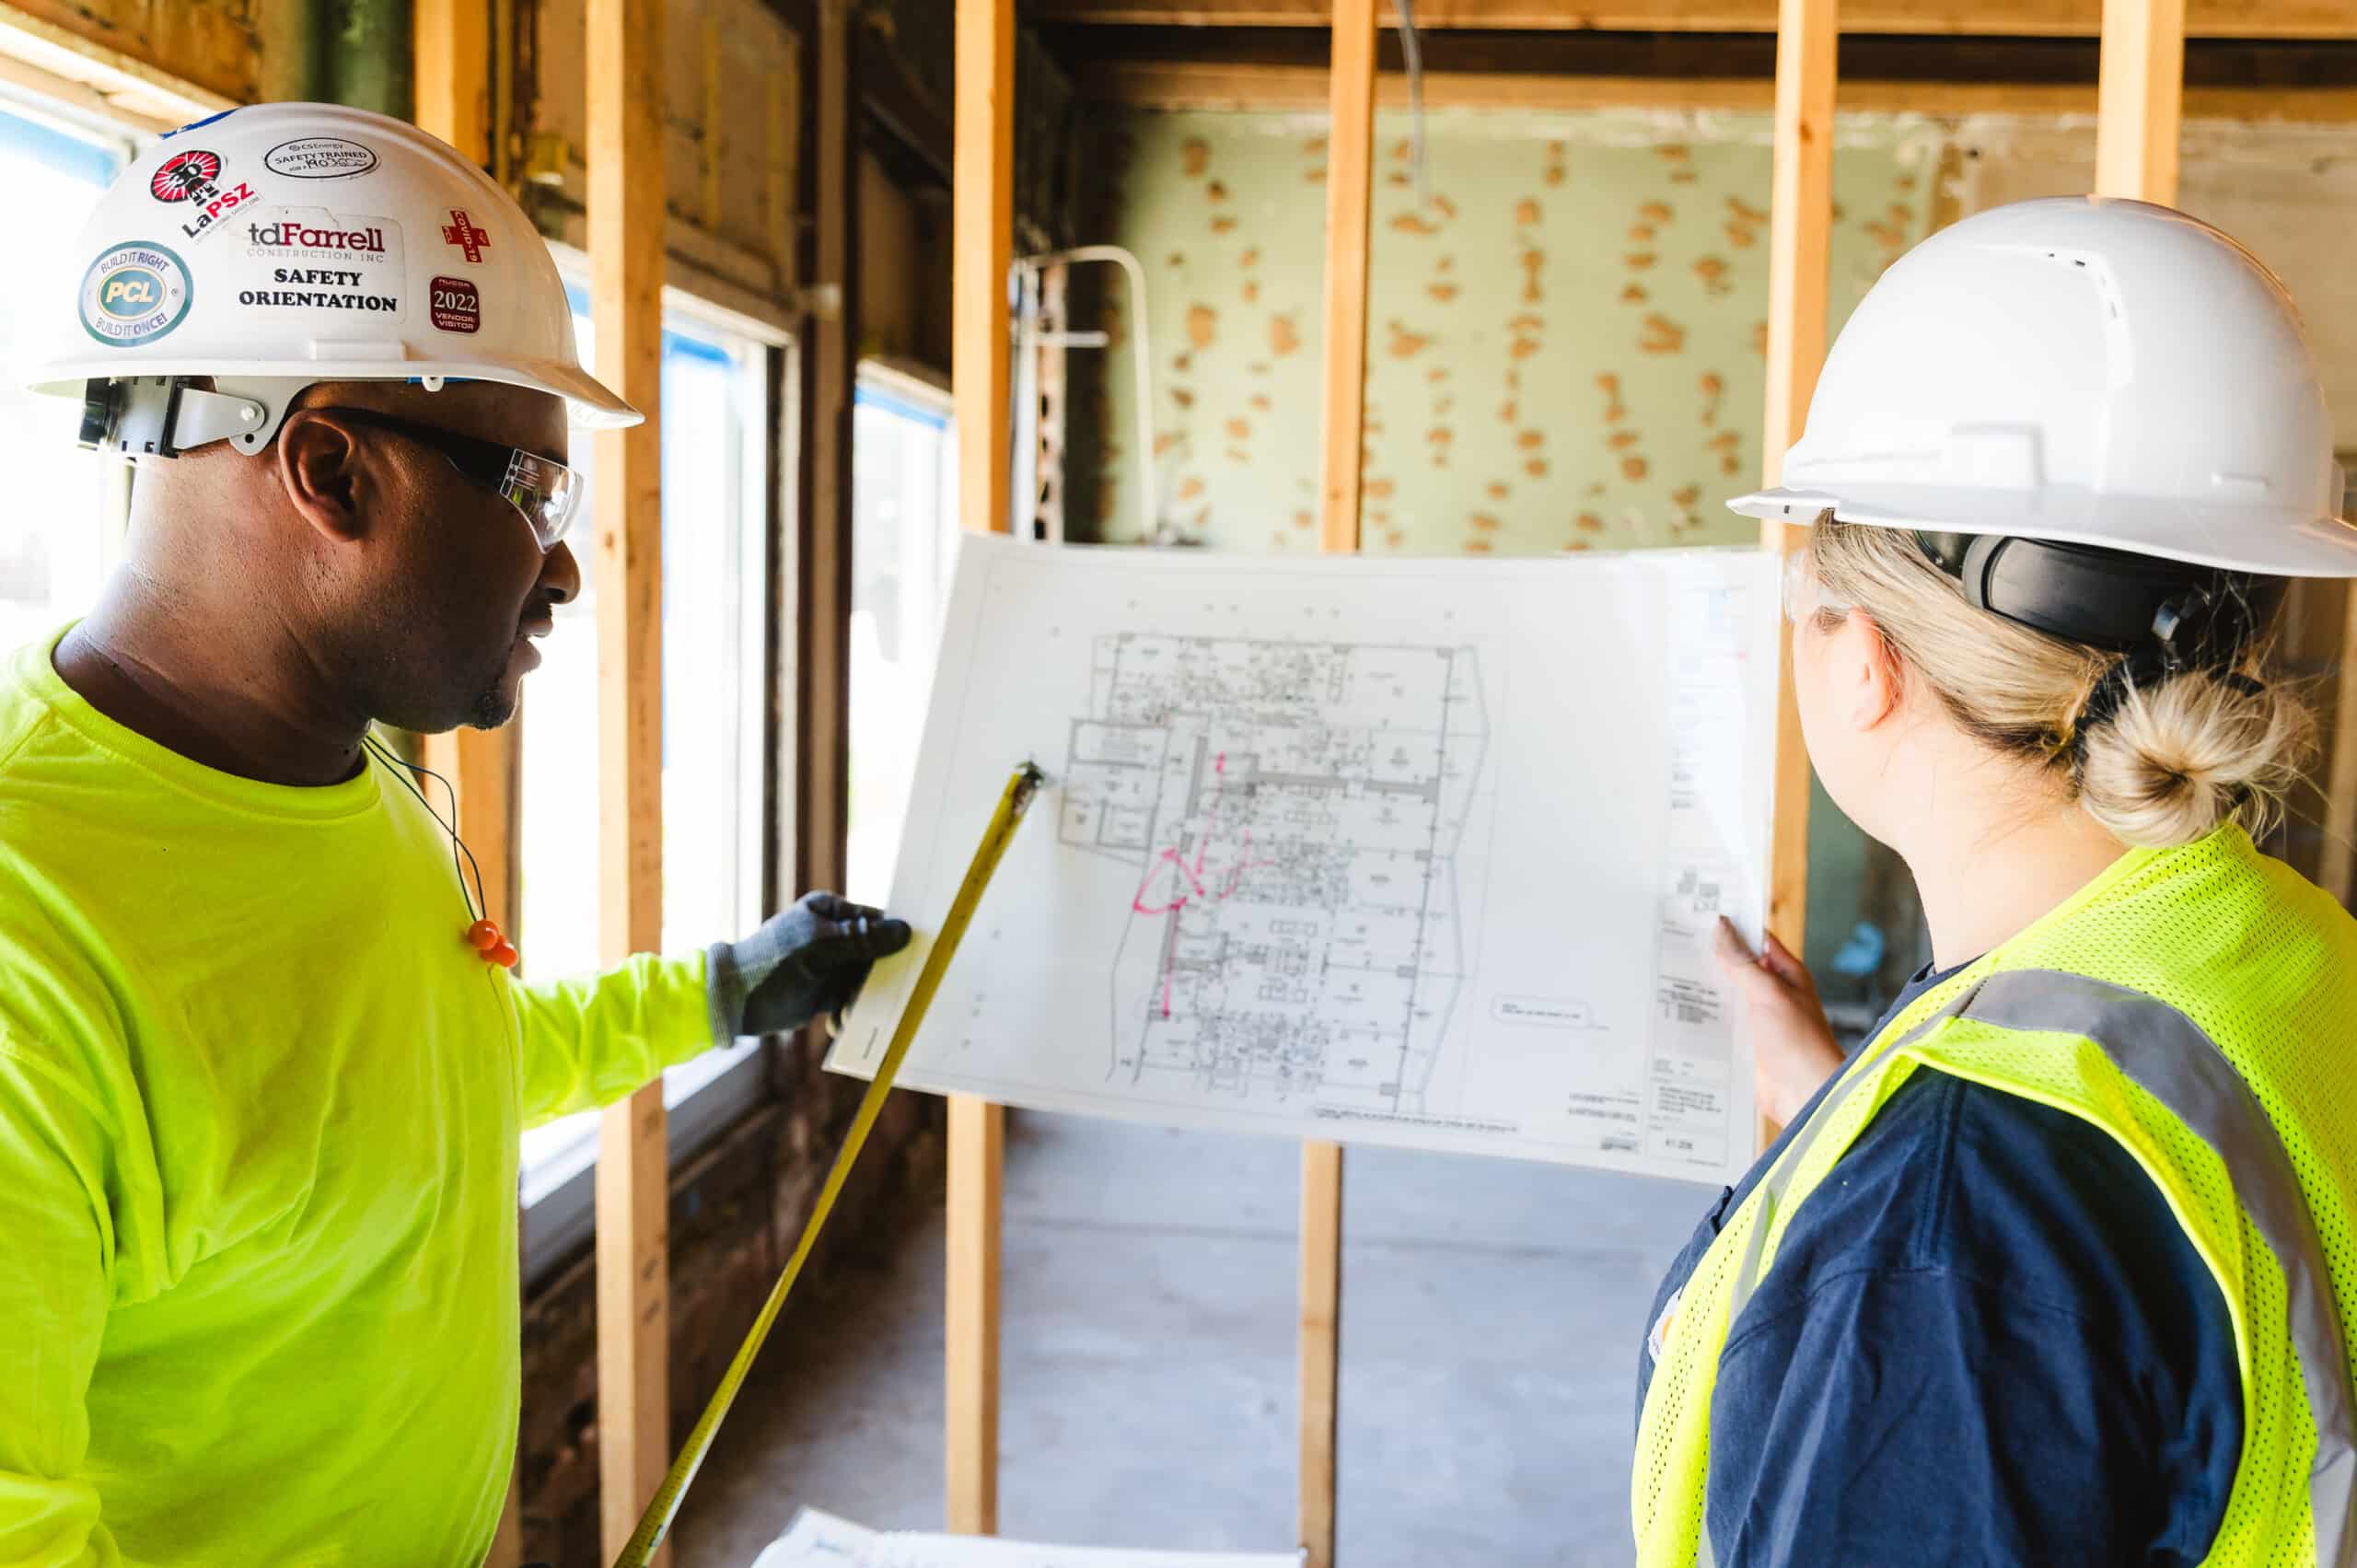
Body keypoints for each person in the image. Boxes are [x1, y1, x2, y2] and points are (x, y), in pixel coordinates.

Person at [0, 104, 910, 1563]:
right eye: (535, 489)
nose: (562, 569)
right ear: (334, 473)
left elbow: (412, 1078)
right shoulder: (33, 936)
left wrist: (727, 990)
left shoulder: (336, 777)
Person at [1634, 196, 2357, 1566]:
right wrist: (1839, 1103)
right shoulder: (2289, 949)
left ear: (1865, 664)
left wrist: (1912, 1180)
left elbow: (2005, 1255)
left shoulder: (1949, 1231)